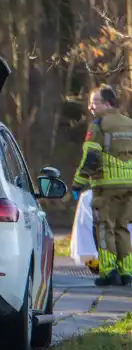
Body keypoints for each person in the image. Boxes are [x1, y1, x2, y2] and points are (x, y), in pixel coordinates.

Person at [72, 85, 132, 286]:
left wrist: (77, 183)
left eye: (94, 102)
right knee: (122, 229)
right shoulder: (129, 124)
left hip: (105, 187)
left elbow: (91, 158)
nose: (90, 107)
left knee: (105, 228)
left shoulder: (98, 126)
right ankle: (126, 272)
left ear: (107, 104)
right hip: (128, 186)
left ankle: (108, 272)